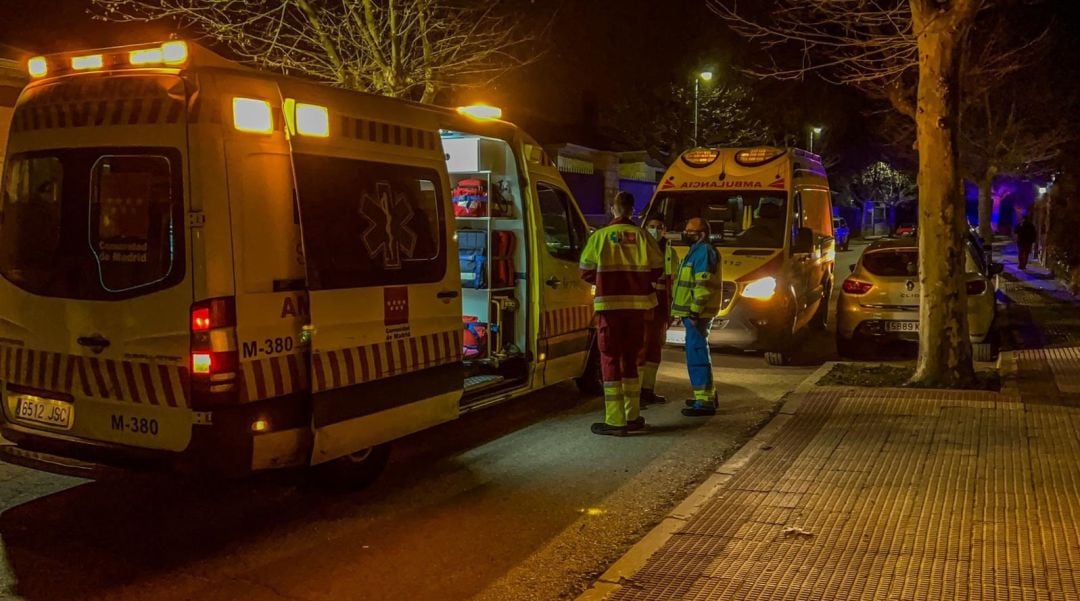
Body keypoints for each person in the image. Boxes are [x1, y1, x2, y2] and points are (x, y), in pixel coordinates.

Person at [579, 192, 664, 436]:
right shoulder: (643, 236)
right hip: (637, 310)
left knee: (609, 360)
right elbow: (658, 269)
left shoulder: (601, 237)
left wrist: (607, 282)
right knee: (630, 360)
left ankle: (615, 421)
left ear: (613, 209)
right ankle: (633, 415)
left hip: (610, 309)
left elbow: (585, 271)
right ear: (632, 210)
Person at [671, 217, 723, 417]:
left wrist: (694, 311)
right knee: (697, 353)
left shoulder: (704, 252)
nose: (686, 234)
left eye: (690, 231)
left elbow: (703, 286)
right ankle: (706, 396)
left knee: (697, 355)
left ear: (701, 234)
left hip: (697, 315)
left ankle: (704, 401)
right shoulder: (696, 251)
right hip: (693, 314)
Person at [639, 217, 679, 406]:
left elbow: (673, 282)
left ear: (665, 230)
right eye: (652, 227)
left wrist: (672, 311)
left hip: (661, 307)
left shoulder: (670, 252)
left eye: (659, 227)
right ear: (645, 228)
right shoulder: (639, 247)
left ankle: (648, 389)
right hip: (643, 305)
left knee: (655, 348)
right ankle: (635, 391)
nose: (655, 230)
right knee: (641, 348)